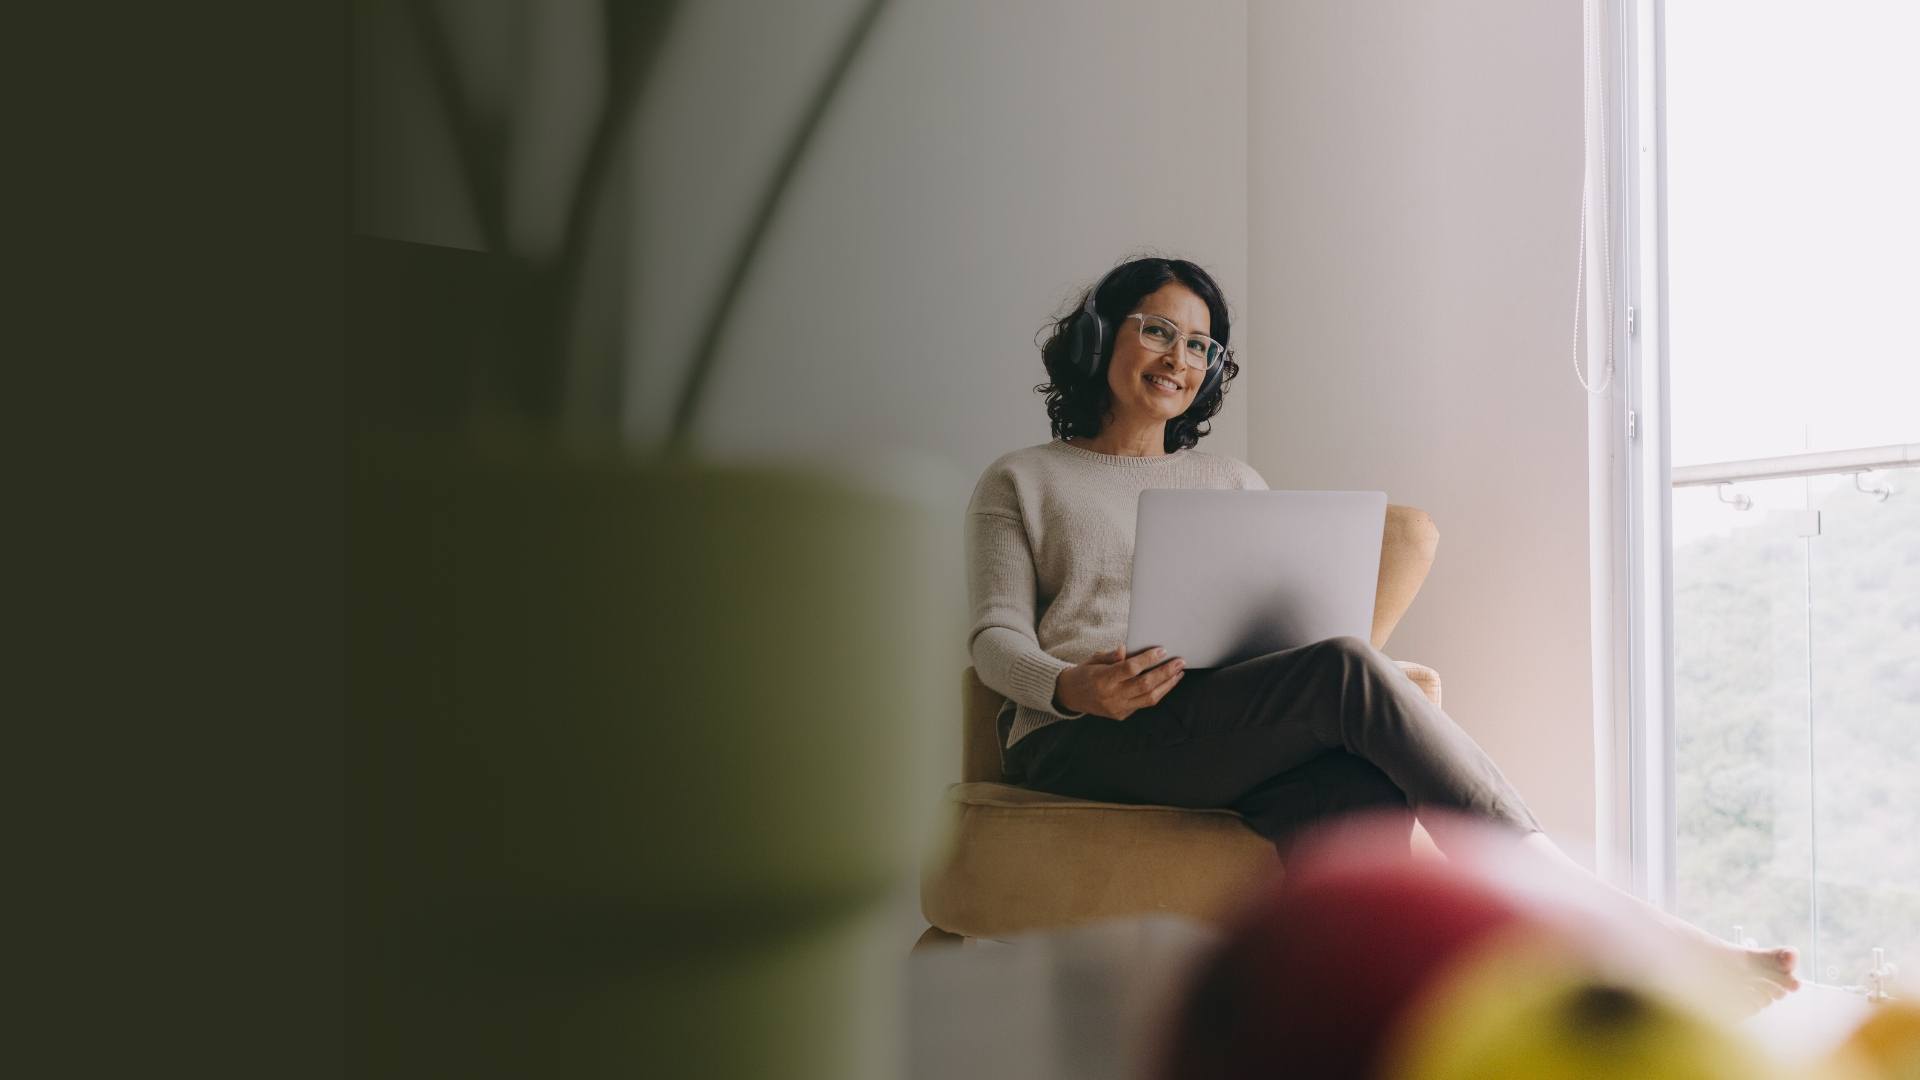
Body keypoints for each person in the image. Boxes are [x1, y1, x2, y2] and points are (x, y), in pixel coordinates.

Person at [965, 255, 1801, 1011]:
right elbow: (994, 638)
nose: (1178, 360)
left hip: (1200, 718)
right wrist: (1072, 687)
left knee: (1350, 783)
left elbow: (1262, 626)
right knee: (1347, 671)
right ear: (1102, 334)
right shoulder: (1024, 478)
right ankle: (1589, 912)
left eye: (1200, 347)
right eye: (1158, 332)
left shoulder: (1231, 480)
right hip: (1077, 736)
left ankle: (1366, 1019)